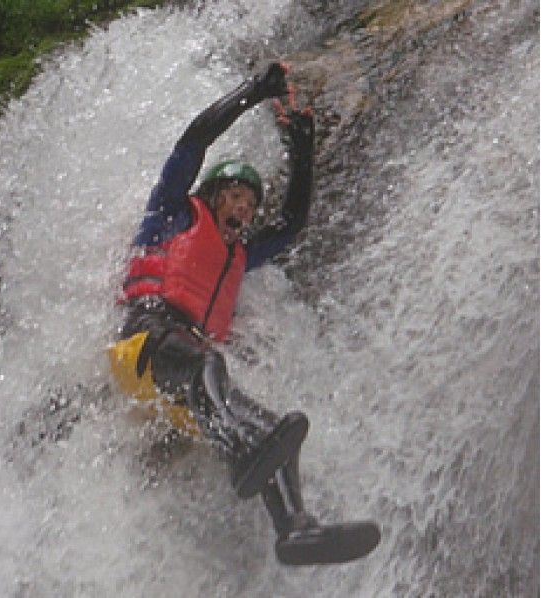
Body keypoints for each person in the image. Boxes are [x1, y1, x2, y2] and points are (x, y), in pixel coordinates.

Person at [108, 62, 379, 565]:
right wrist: (255, 91)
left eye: (251, 205)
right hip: (142, 346)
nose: (244, 210)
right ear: (212, 196)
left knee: (276, 431)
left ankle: (295, 527)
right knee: (210, 367)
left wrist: (302, 146)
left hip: (178, 395)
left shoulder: (240, 254)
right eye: (234, 197)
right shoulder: (173, 212)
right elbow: (195, 138)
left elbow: (293, 224)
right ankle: (241, 447)